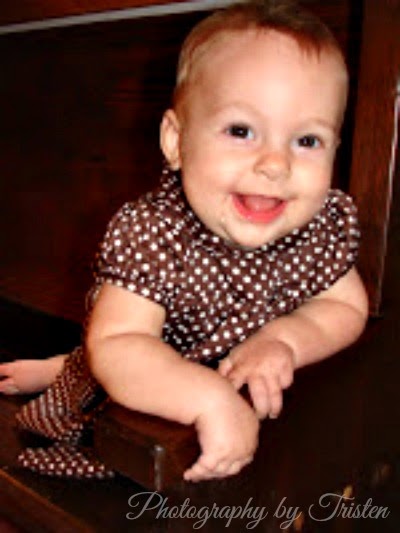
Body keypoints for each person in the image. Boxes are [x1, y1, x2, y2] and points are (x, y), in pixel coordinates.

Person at [0, 0, 368, 482]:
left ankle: (64, 363)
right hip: (141, 373)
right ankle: (63, 368)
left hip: (226, 360)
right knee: (91, 369)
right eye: (241, 130)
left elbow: (345, 306)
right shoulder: (154, 233)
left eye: (307, 141)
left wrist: (284, 340)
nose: (276, 164)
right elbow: (120, 344)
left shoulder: (318, 225)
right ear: (176, 141)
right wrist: (207, 399)